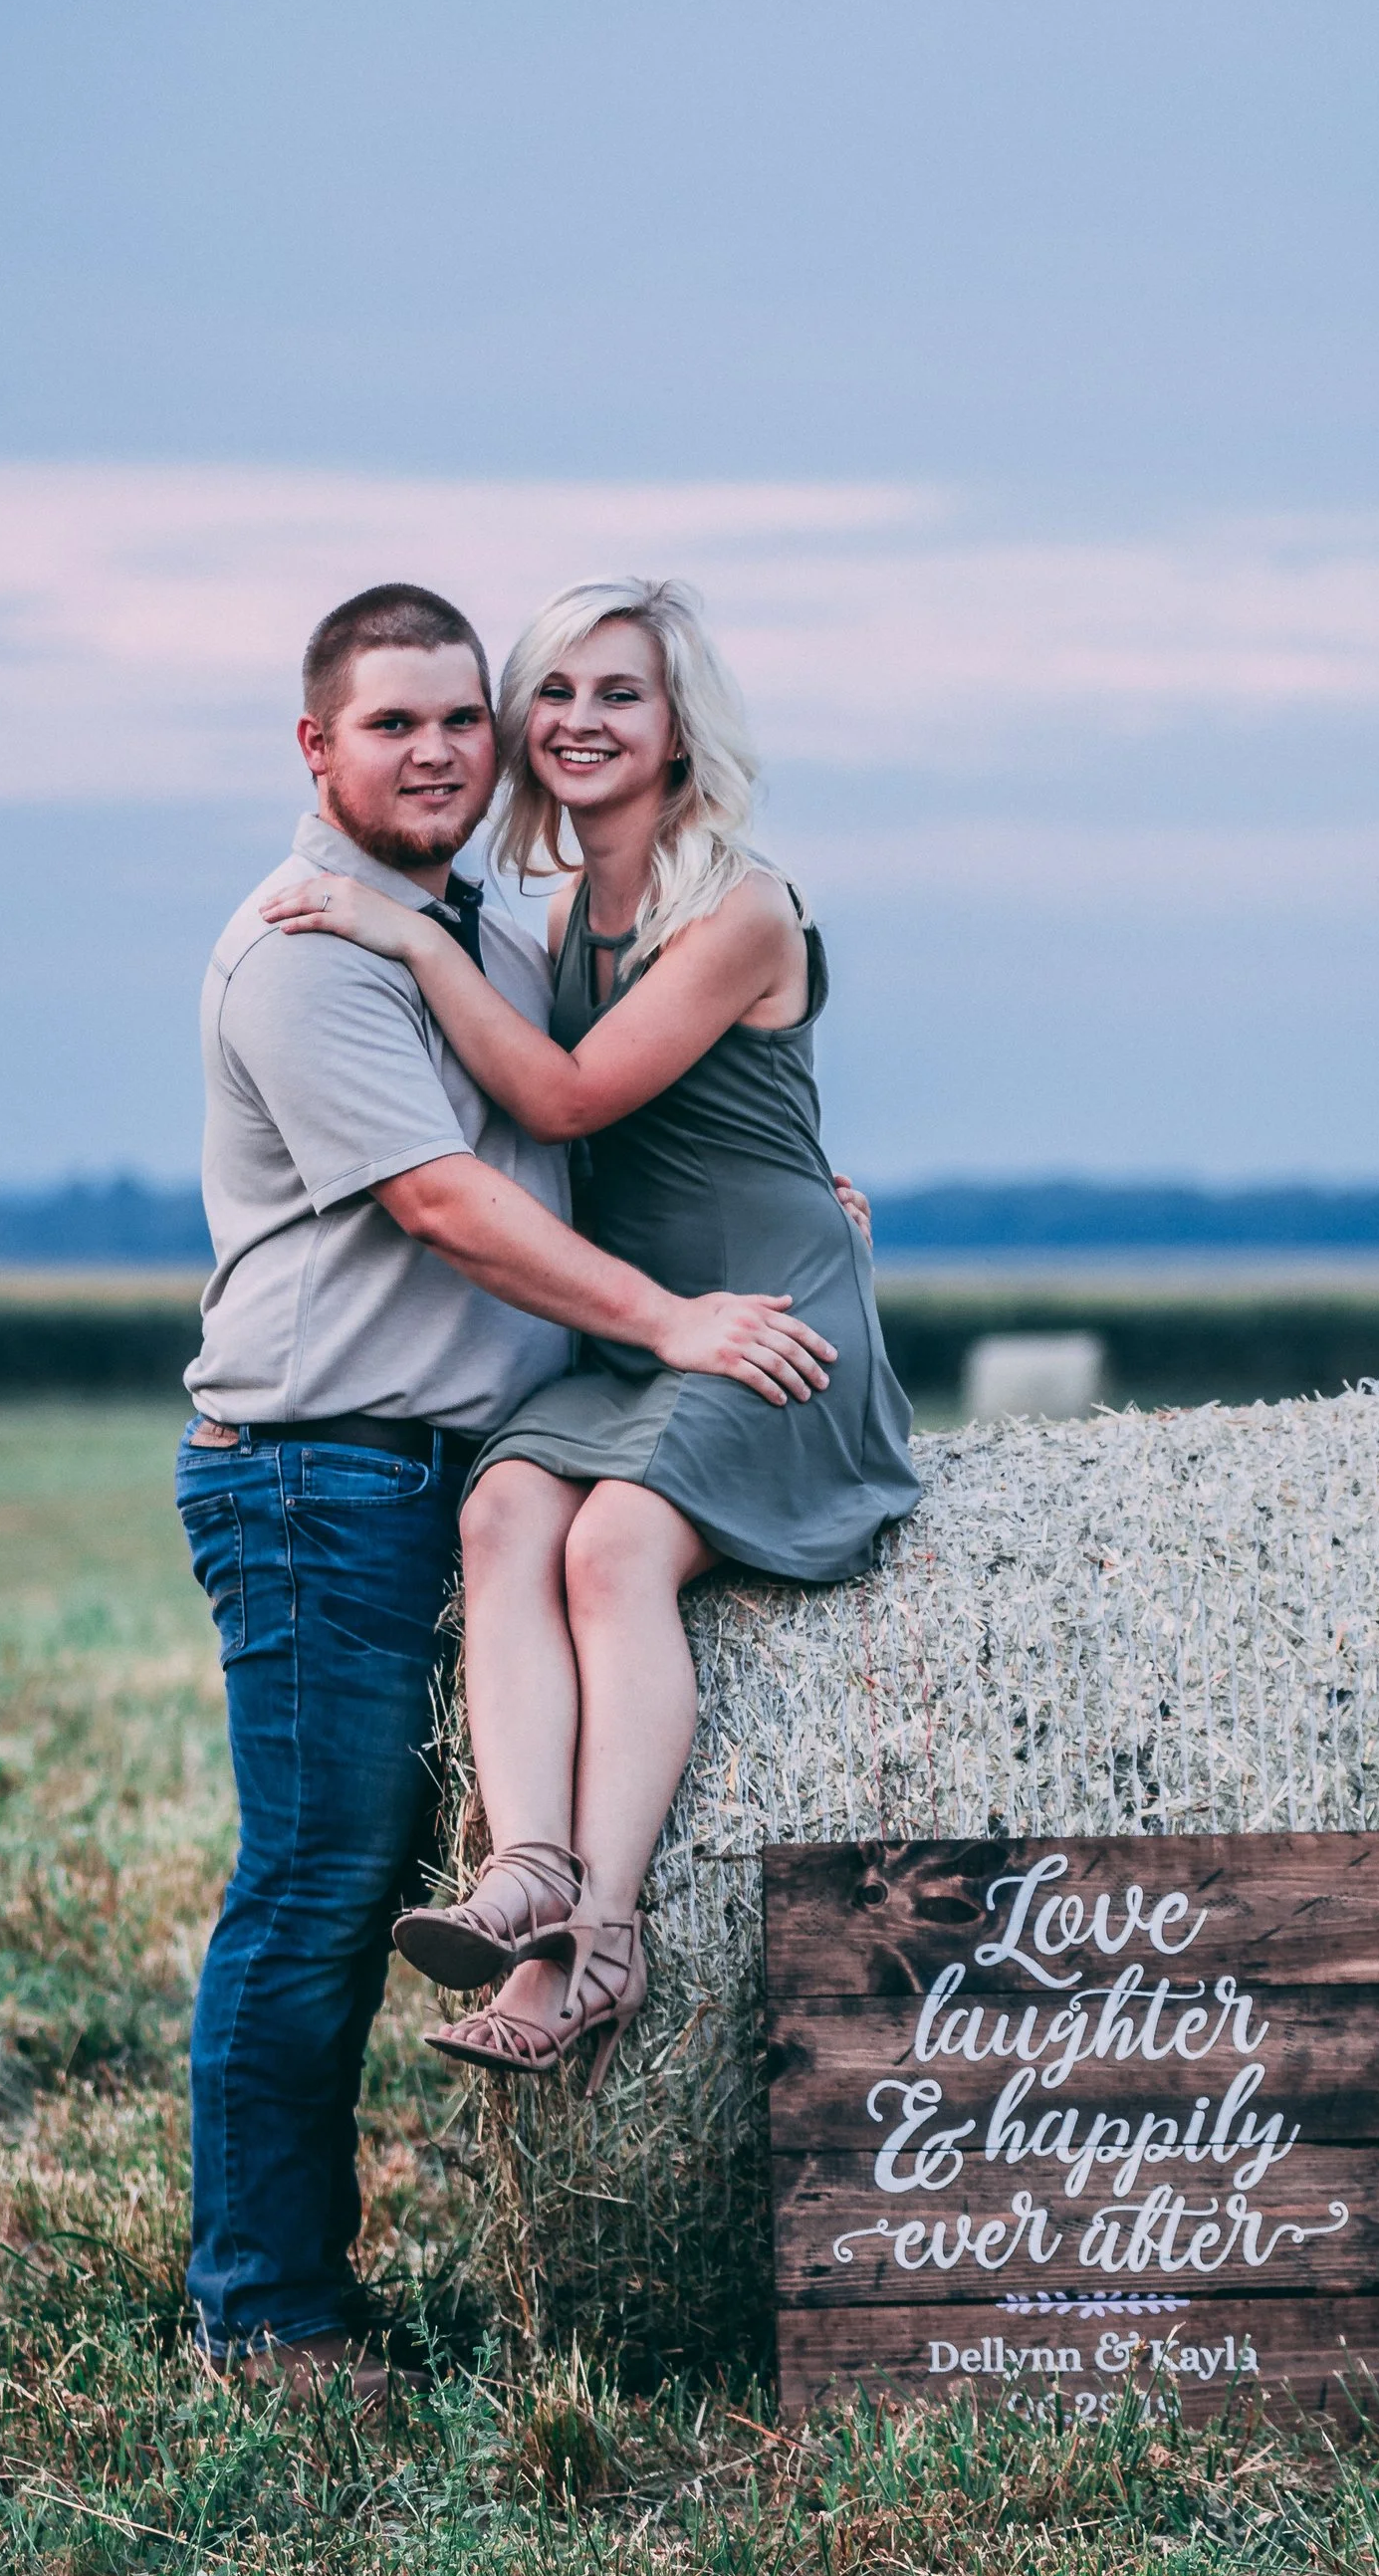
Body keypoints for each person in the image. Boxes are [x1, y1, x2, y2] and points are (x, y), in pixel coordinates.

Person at [179, 582, 839, 2404]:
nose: (446, 748)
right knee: (314, 1888)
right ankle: (266, 2313)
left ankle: (554, 1915)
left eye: (461, 718)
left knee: (357, 1870)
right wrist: (675, 1321)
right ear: (316, 745)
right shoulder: (318, 946)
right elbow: (449, 1199)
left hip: (448, 1455)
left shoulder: (481, 923)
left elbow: (617, 1113)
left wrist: (803, 1197)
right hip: (319, 1468)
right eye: (396, 723)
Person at [258, 576, 919, 2096]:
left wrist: (405, 938)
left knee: (615, 1547)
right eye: (552, 691)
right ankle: (528, 1865)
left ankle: (599, 1941)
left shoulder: (742, 902)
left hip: (761, 1319)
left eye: (618, 692)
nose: (578, 720)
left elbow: (559, 1099)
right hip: (642, 1324)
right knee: (503, 1509)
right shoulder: (555, 917)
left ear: (681, 724)